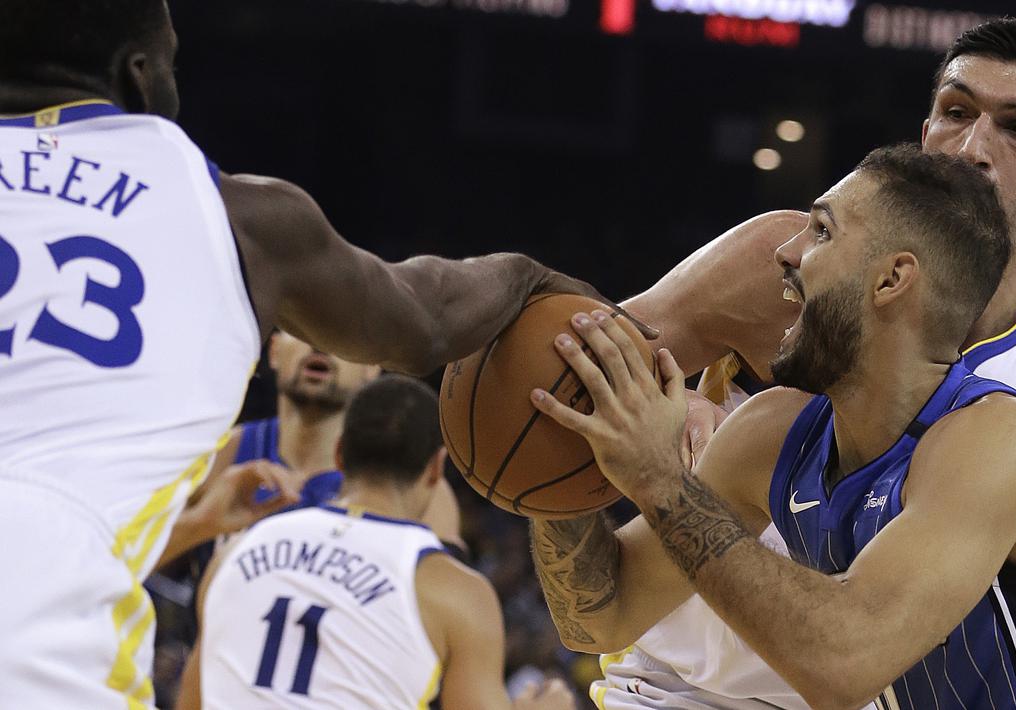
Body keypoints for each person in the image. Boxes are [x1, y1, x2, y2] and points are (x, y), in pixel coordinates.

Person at [0, 1, 607, 706]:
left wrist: (200, 527)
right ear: (139, 77)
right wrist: (527, 277)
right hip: (41, 651)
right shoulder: (235, 218)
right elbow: (425, 320)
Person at [601, 16, 1016, 706]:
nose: (972, 148)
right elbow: (586, 361)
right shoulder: (789, 258)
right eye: (955, 113)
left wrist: (659, 478)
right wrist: (667, 399)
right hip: (684, 684)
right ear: (925, 129)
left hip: (849, 671)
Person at [179, 376, 575, 709]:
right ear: (435, 469)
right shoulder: (453, 590)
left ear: (339, 454)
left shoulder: (237, 549)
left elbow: (191, 702)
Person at [157, 332, 465, 569]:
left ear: (371, 367)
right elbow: (133, 562)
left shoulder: (412, 481)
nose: (319, 344)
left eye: (341, 333)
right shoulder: (218, 455)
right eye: (302, 329)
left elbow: (448, 607)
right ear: (274, 351)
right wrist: (200, 523)